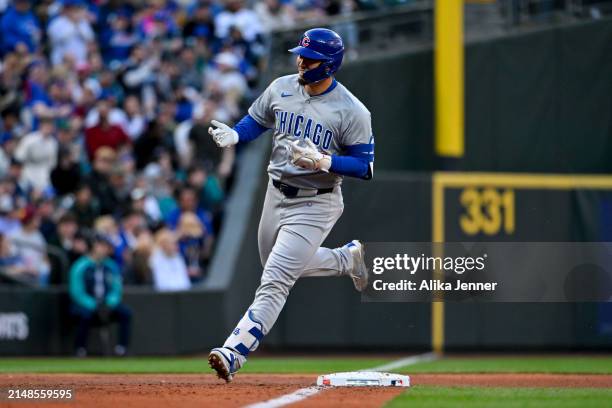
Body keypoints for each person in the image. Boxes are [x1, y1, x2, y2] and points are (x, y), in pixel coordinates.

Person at [207, 28, 374, 382]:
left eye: (309, 57)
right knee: (277, 267)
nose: (300, 61)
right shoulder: (282, 86)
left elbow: (365, 166)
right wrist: (237, 134)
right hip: (275, 192)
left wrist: (326, 162)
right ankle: (347, 259)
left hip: (316, 202)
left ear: (328, 65)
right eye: (300, 54)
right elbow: (257, 119)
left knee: (275, 279)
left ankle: (234, 351)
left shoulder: (351, 110)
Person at [69, 233, 131, 357]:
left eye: (106, 246)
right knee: (85, 315)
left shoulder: (111, 265)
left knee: (126, 313)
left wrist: (109, 303)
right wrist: (93, 304)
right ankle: (80, 349)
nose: (105, 249)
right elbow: (76, 291)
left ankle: (121, 349)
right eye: (102, 245)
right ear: (93, 246)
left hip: (106, 304)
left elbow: (116, 289)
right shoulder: (80, 266)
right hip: (87, 304)